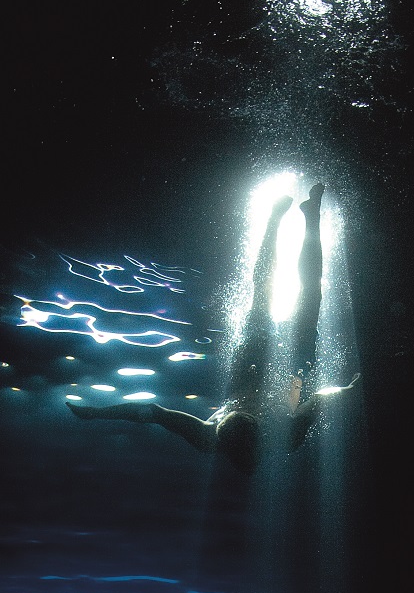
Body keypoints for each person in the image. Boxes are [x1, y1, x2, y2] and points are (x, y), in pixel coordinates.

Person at [68, 185, 359, 475]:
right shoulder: (287, 437)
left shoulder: (208, 437)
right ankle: (311, 215)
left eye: (226, 418)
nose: (230, 415)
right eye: (239, 416)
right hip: (292, 375)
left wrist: (98, 413)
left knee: (263, 293)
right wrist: (350, 389)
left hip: (248, 360)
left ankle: (274, 219)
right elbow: (323, 398)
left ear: (221, 427)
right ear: (258, 428)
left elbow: (155, 414)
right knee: (310, 296)